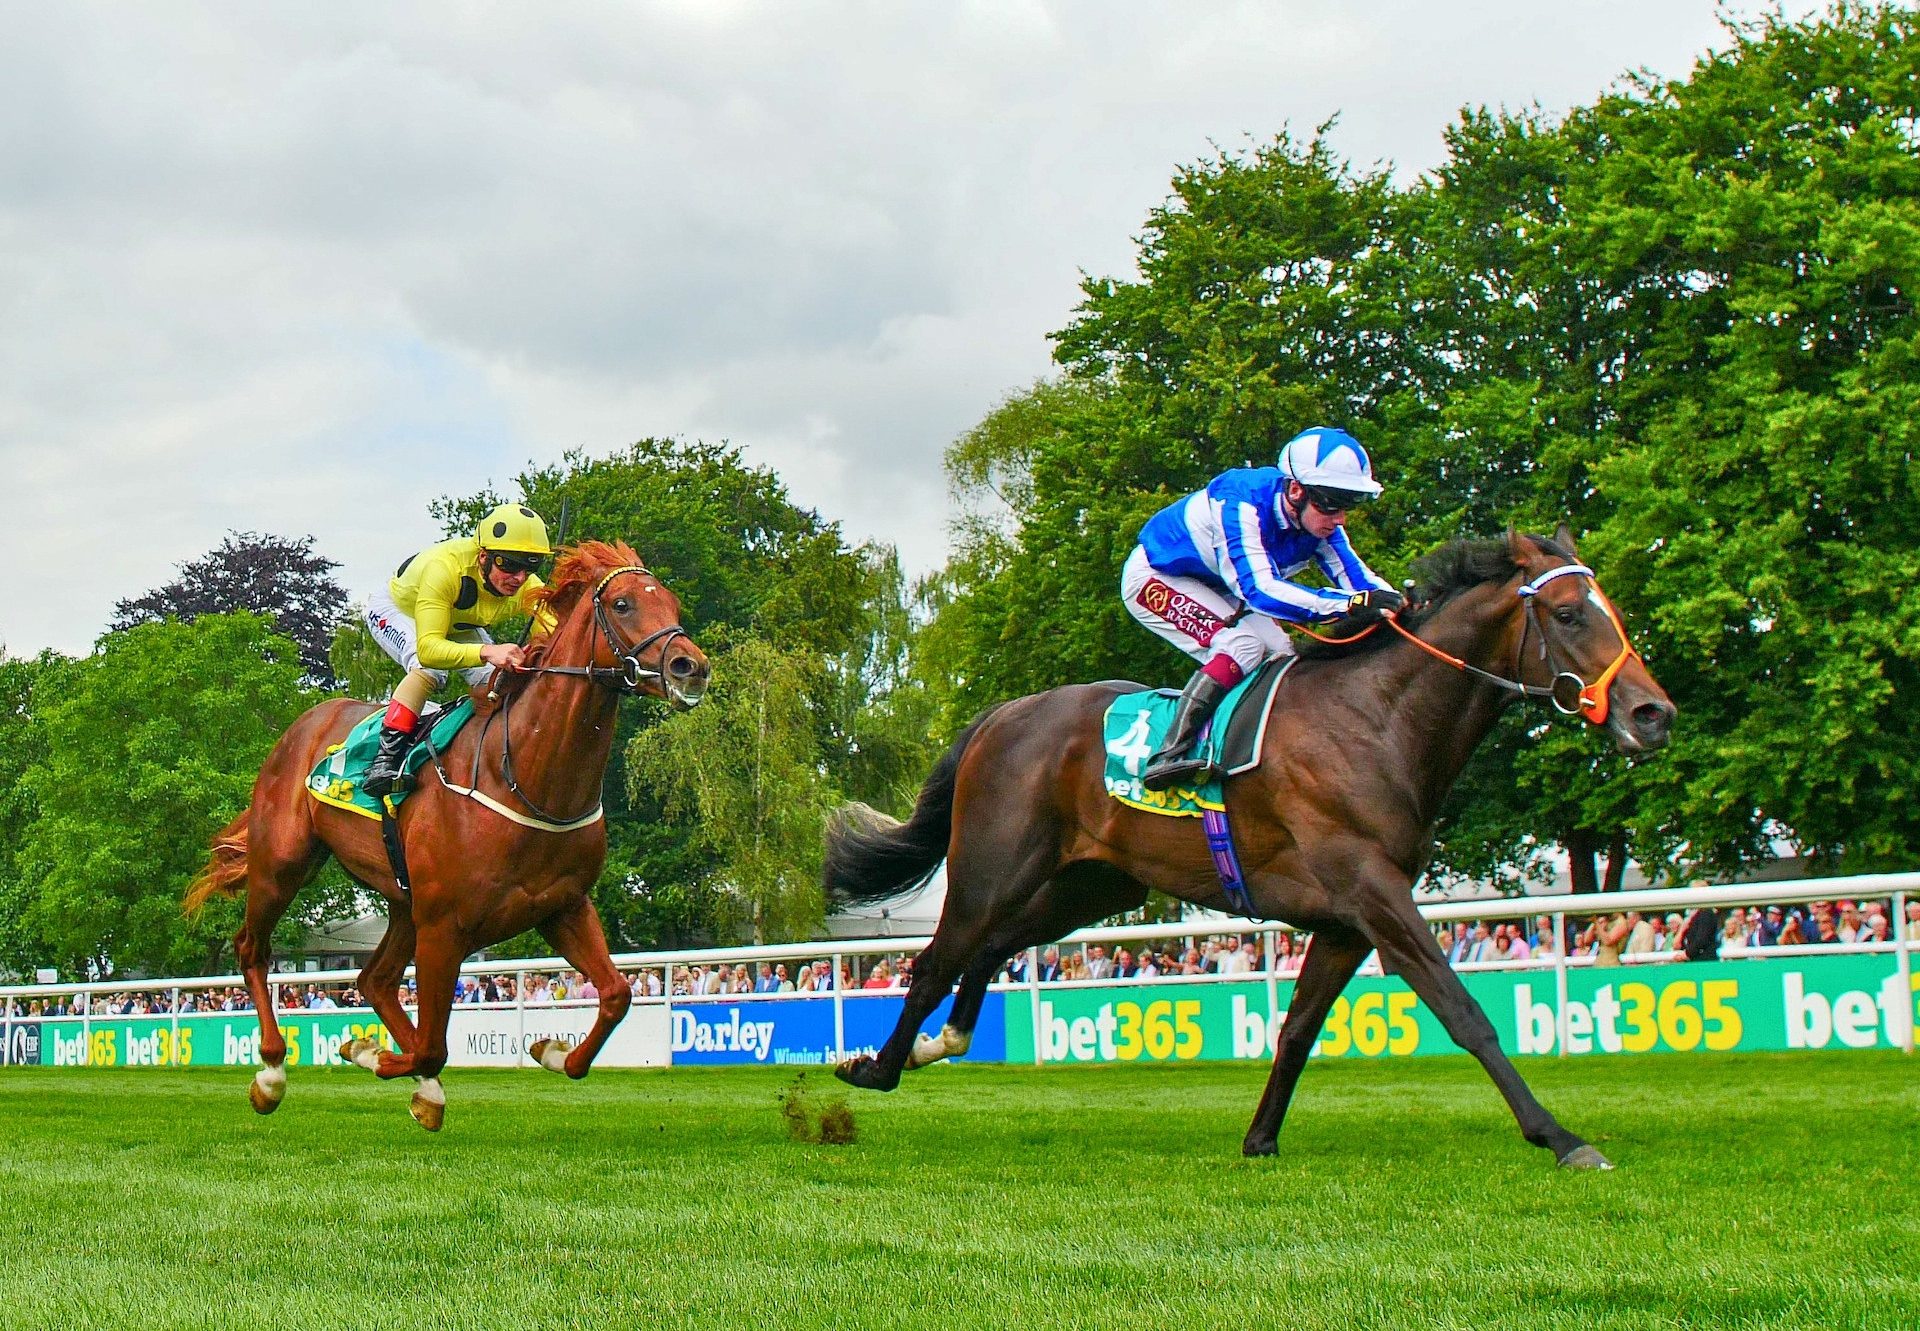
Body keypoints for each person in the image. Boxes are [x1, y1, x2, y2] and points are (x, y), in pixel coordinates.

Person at [1121, 426, 1402, 790]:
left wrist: (1403, 605)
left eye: (1348, 505)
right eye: (1332, 503)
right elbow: (1259, 591)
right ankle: (1169, 753)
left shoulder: (1318, 523)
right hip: (1155, 577)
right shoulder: (1240, 502)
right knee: (1243, 646)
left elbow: (1360, 581)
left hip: (1218, 585)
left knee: (1283, 656)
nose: (1340, 518)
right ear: (1296, 490)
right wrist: (1348, 605)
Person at [360, 502, 558, 797]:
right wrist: (489, 651)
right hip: (401, 611)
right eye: (509, 564)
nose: (518, 578)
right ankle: (384, 762)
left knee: (496, 679)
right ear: (483, 557)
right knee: (429, 668)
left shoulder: (527, 584)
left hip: (457, 622)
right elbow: (429, 648)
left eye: (529, 567)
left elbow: (557, 633)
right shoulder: (445, 570)